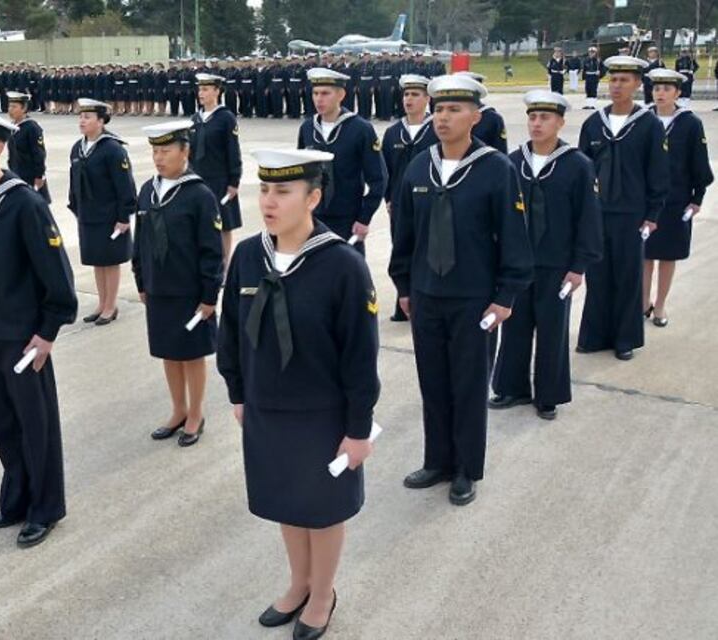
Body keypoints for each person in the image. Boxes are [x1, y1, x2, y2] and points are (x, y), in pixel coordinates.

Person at [217, 149, 380, 640]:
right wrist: (238, 391)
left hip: (322, 414)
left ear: (313, 197)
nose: (269, 201)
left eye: (283, 191)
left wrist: (357, 430)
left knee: (323, 508)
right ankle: (299, 583)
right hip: (267, 408)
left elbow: (359, 356)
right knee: (287, 501)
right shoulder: (249, 255)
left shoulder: (343, 266)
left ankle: (323, 593)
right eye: (264, 189)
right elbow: (231, 330)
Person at [390, 74, 533, 505]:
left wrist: (506, 296)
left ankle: (466, 468)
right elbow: (405, 233)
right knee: (433, 381)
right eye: (438, 109)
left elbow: (513, 236)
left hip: (474, 298)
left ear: (476, 116)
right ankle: (438, 460)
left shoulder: (495, 169)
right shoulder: (419, 166)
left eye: (454, 110)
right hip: (427, 295)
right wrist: (403, 286)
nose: (442, 118)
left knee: (469, 386)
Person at [0, 102, 78, 548]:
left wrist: (46, 334)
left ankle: (45, 508)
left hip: (24, 339)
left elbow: (57, 277)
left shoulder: (23, 202)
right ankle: (17, 498)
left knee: (35, 425)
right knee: (1, 422)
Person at [490, 91, 602, 421]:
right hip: (518, 263)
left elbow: (588, 217)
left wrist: (579, 266)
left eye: (545, 118)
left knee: (552, 329)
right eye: (533, 117)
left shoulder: (578, 165)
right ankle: (513, 387)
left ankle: (548, 395)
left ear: (560, 123)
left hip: (557, 264)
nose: (537, 124)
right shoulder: (512, 162)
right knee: (515, 326)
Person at [134, 121, 223, 447]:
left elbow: (211, 250)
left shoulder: (199, 194)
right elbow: (139, 239)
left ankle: (196, 414)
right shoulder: (148, 190)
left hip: (189, 291)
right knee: (169, 352)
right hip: (158, 289)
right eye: (155, 151)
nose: (159, 158)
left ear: (184, 151)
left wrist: (210, 295)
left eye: (166, 150)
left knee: (191, 354)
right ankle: (178, 410)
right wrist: (141, 279)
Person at [576, 56, 668, 361]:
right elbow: (582, 169)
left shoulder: (649, 125)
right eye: (613, 79)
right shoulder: (594, 124)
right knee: (598, 275)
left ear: (638, 84)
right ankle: (594, 335)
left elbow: (658, 172)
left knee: (628, 276)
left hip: (631, 214)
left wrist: (652, 215)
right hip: (597, 212)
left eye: (624, 80)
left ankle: (624, 338)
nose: (617, 86)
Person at [642, 68, 713, 328]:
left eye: (666, 89)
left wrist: (697, 198)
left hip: (676, 200)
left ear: (678, 93)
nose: (660, 94)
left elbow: (699, 163)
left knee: (668, 255)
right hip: (646, 200)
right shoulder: (642, 119)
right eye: (656, 88)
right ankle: (643, 302)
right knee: (645, 254)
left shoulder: (690, 123)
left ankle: (660, 305)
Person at [296, 68, 387, 253]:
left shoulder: (361, 129)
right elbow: (300, 173)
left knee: (350, 274)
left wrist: (364, 217)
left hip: (348, 218)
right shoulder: (307, 128)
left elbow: (378, 178)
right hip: (313, 217)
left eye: (325, 93)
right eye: (315, 93)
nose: (319, 99)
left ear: (341, 94)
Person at [68, 98, 137, 326]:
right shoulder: (78, 148)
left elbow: (124, 184)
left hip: (109, 215)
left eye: (87, 117)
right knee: (97, 260)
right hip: (88, 214)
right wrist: (75, 206)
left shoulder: (113, 149)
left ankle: (111, 305)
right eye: (80, 116)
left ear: (101, 121)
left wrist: (124, 215)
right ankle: (102, 302)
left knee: (110, 260)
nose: (82, 121)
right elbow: (74, 180)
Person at [382, 74, 437, 322]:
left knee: (427, 248)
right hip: (400, 204)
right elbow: (385, 170)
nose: (409, 99)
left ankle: (424, 300)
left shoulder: (436, 129)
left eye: (415, 95)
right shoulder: (393, 132)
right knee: (401, 248)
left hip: (430, 203)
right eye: (406, 94)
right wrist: (388, 198)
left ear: (427, 99)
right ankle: (402, 301)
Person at [190, 73, 244, 272]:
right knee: (201, 222)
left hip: (220, 179)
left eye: (205, 89)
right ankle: (204, 262)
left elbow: (233, 150)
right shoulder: (195, 118)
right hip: (198, 178)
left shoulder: (225, 118)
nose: (200, 93)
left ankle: (223, 264)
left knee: (223, 223)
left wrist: (234, 181)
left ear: (217, 91)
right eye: (199, 89)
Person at [5, 91, 50, 204]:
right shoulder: (12, 127)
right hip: (16, 173)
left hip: (30, 175)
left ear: (24, 108)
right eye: (9, 106)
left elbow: (39, 153)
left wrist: (39, 175)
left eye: (14, 107)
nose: (10, 109)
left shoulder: (31, 127)